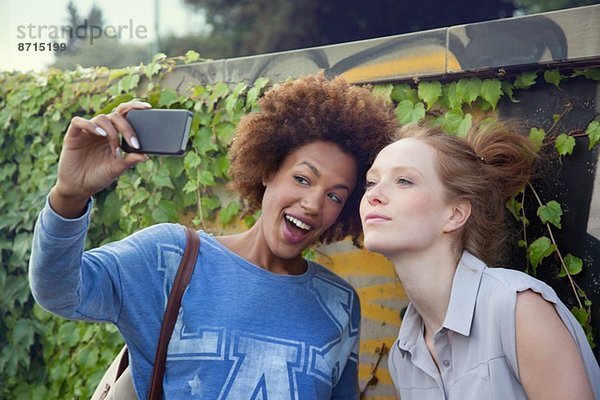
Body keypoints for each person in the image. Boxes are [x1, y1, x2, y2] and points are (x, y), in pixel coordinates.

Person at [29, 74, 399, 399]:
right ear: (268, 171)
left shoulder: (339, 302)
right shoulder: (170, 257)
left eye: (335, 195)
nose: (313, 203)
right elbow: (59, 292)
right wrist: (69, 195)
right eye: (302, 178)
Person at [360, 122, 600, 400]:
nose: (373, 196)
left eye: (404, 181)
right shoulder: (404, 354)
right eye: (371, 182)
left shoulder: (516, 308)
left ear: (455, 214)